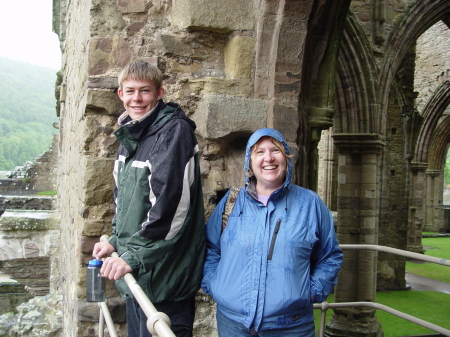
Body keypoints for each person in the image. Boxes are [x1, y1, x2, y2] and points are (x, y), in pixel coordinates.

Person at [92, 59, 205, 337]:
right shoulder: (131, 134)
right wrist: (116, 241)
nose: (137, 98)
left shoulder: (174, 132)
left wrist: (133, 257)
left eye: (145, 91)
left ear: (159, 93)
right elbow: (125, 204)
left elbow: (172, 208)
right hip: (140, 275)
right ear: (121, 94)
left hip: (166, 279)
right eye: (130, 91)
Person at [202, 128, 343, 336]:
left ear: (286, 158)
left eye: (275, 150)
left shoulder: (310, 203)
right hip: (233, 324)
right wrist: (213, 283)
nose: (268, 158)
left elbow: (330, 255)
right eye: (260, 152)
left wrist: (313, 291)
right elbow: (210, 247)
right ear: (250, 162)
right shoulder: (232, 202)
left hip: (291, 326)